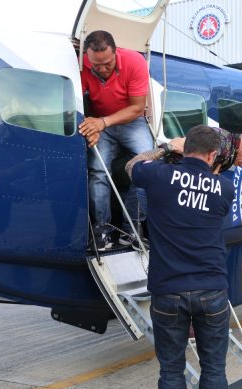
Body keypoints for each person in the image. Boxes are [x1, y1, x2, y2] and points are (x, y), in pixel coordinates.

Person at [127, 125, 237, 389]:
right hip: (211, 290)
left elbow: (131, 166)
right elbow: (206, 182)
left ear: (183, 148)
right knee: (214, 369)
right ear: (214, 155)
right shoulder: (224, 187)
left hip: (168, 291)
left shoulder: (158, 175)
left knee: (171, 371)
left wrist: (164, 148)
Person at [78, 30, 153, 250]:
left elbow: (137, 108)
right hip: (101, 123)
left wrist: (102, 123)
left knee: (146, 167)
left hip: (131, 122)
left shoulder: (134, 61)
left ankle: (131, 230)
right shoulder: (81, 63)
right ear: (88, 58)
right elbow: (73, 100)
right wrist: (89, 125)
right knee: (98, 171)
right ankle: (101, 229)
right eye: (96, 65)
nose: (101, 69)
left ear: (115, 53)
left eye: (107, 64)